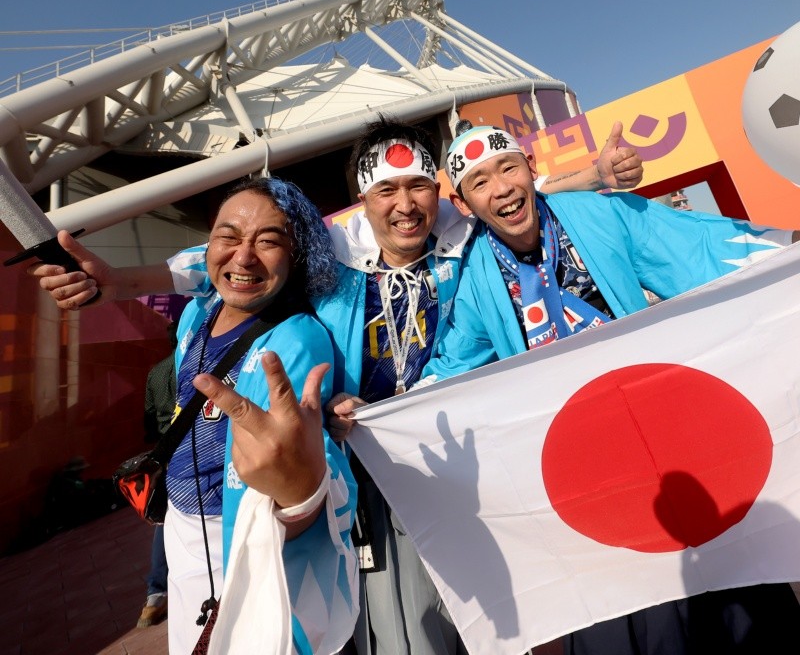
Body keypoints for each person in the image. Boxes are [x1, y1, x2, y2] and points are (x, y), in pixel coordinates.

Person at [28, 116, 642, 655]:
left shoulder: (455, 233)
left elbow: (513, 198)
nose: (405, 205)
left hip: (458, 457)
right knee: (393, 608)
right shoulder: (336, 245)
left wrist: (596, 172)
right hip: (360, 465)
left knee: (491, 594)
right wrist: (118, 283)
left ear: (439, 192)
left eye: (419, 187)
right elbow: (218, 257)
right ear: (362, 199)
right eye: (386, 190)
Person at [419, 123, 800, 655]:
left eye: (508, 168)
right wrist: (376, 415)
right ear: (463, 202)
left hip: (670, 441)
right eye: (480, 181)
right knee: (633, 608)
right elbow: (452, 366)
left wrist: (787, 250)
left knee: (734, 593)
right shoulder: (476, 280)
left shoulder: (603, 214)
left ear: (530, 167)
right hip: (583, 467)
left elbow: (695, 248)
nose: (501, 188)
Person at [33, 177, 359, 655]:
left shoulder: (297, 340)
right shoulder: (196, 317)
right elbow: (197, 269)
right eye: (228, 236)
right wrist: (119, 282)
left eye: (269, 241)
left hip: (234, 532)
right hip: (180, 527)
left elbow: (304, 473)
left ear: (298, 258)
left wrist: (300, 500)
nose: (244, 257)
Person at [137, 323, 178, 629]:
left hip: (165, 449)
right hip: (193, 445)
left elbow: (148, 419)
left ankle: (155, 594)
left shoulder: (155, 372)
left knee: (164, 521)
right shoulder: (194, 362)